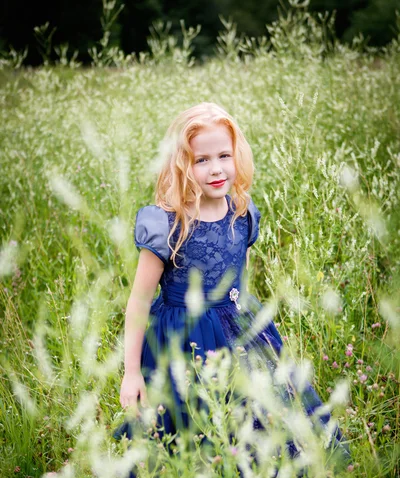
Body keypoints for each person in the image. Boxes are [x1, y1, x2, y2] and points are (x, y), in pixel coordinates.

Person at [115, 102, 347, 459]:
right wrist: (132, 373)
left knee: (258, 415)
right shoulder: (165, 225)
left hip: (238, 327)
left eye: (224, 155)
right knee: (195, 426)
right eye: (201, 160)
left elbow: (240, 279)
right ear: (181, 165)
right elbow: (139, 301)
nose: (216, 169)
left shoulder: (243, 213)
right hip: (182, 339)